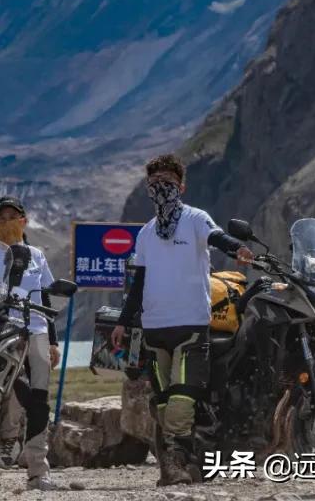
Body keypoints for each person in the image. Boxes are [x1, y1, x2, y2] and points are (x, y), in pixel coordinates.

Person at [111, 154, 253, 485]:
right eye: (155, 184)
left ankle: (176, 468)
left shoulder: (195, 219)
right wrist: (122, 322)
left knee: (182, 397)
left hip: (190, 324)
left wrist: (238, 250)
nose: (161, 189)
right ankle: (179, 464)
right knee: (162, 403)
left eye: (168, 184)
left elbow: (217, 237)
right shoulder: (145, 235)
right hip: (154, 329)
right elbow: (138, 285)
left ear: (182, 187)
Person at [0, 196, 61, 491]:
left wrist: (53, 341)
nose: (8, 222)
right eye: (1, 218)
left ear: (24, 220)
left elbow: (45, 295)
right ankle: (0, 439)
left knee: (40, 401)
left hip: (36, 331)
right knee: (1, 388)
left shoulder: (36, 254)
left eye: (13, 216)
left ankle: (39, 472)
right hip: (2, 331)